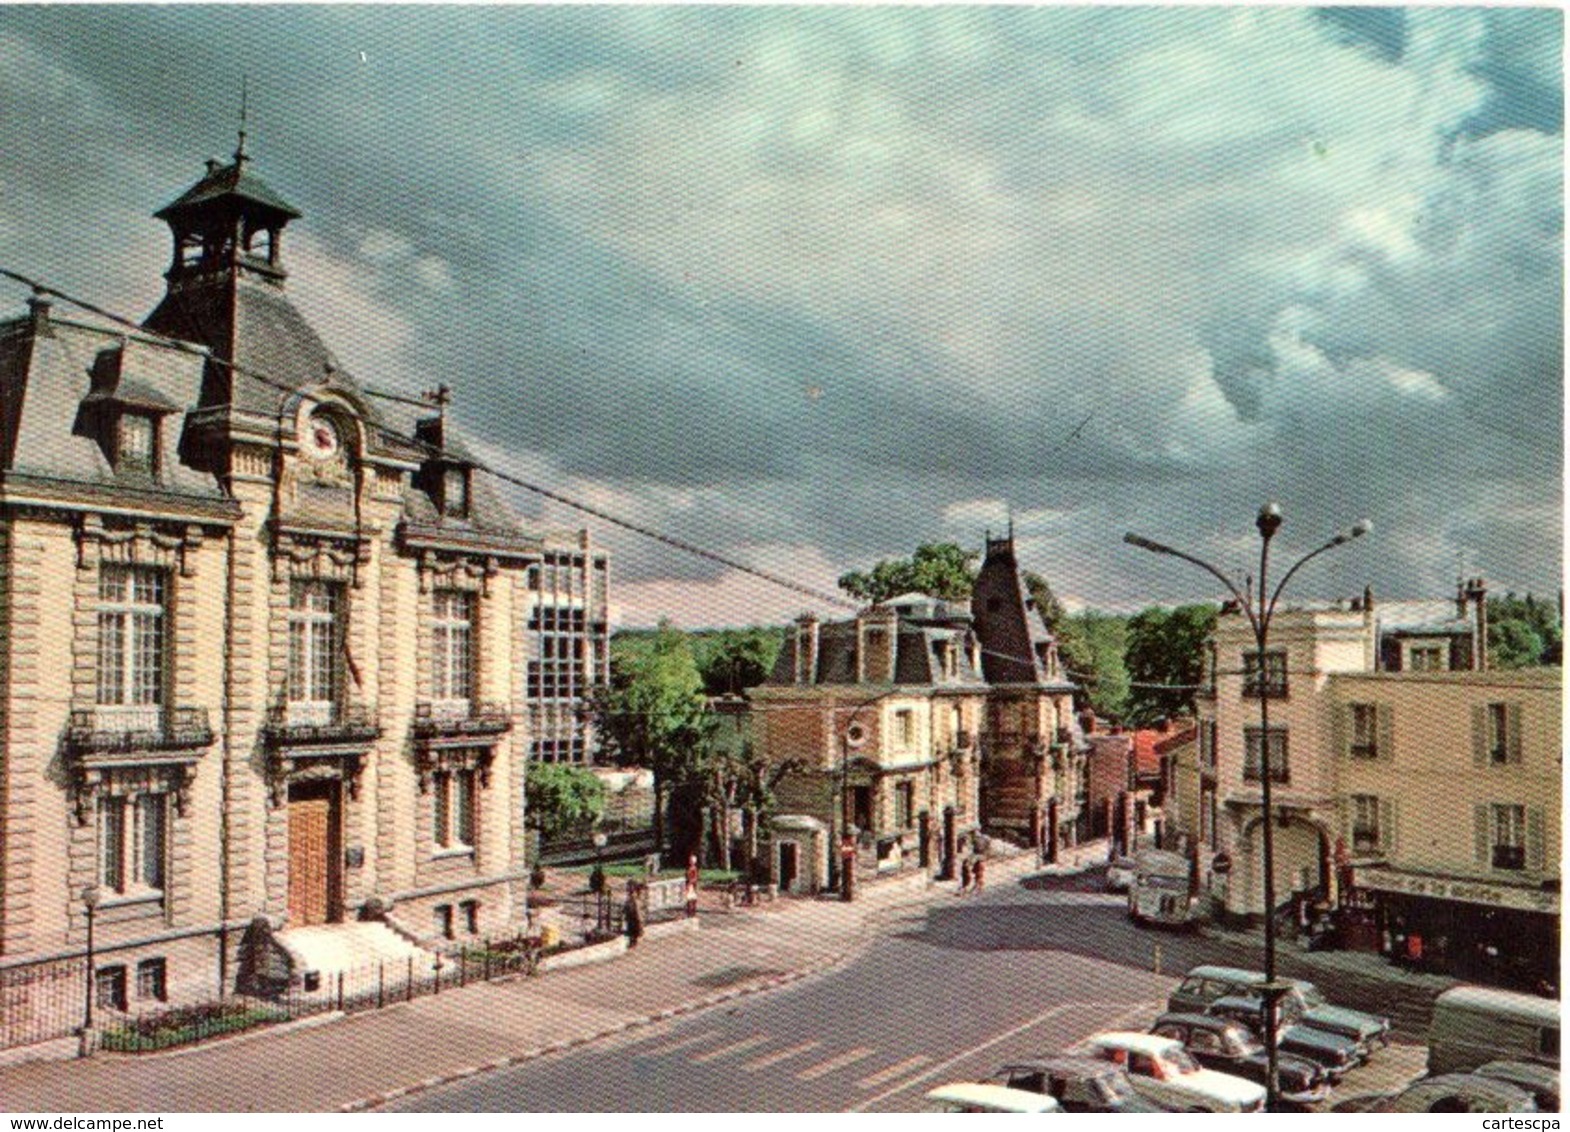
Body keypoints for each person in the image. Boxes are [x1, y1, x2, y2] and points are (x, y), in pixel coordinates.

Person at [624, 880, 645, 947]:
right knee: (632, 932)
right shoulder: (632, 898)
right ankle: (632, 943)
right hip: (632, 917)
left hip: (633, 918)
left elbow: (636, 911)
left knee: (632, 932)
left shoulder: (633, 899)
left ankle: (632, 943)